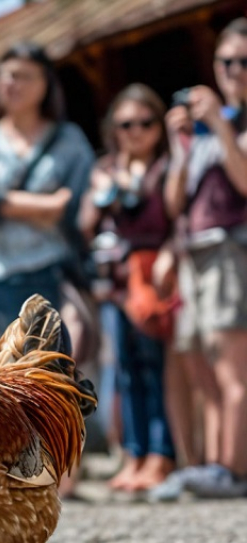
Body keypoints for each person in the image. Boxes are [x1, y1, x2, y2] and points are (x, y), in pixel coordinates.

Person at [0, 42, 95, 339]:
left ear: (45, 84)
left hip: (58, 275)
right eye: (6, 75)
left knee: (62, 374)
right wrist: (41, 207)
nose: (12, 84)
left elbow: (76, 206)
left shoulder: (68, 139)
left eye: (23, 76)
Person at [155, 17, 247, 499]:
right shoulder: (211, 129)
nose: (233, 70)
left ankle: (232, 471)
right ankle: (215, 464)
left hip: (233, 251)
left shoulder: (230, 125)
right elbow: (174, 203)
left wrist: (217, 125)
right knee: (202, 368)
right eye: (225, 61)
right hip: (194, 253)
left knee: (233, 368)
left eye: (243, 62)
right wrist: (180, 145)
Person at [79, 84, 177, 492]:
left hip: (155, 279)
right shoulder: (105, 169)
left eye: (144, 123)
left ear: (159, 127)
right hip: (115, 283)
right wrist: (105, 190)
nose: (135, 132)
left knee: (157, 369)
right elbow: (85, 226)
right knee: (124, 371)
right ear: (112, 129)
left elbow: (176, 219)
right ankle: (133, 455)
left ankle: (161, 454)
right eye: (125, 124)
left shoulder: (168, 167)